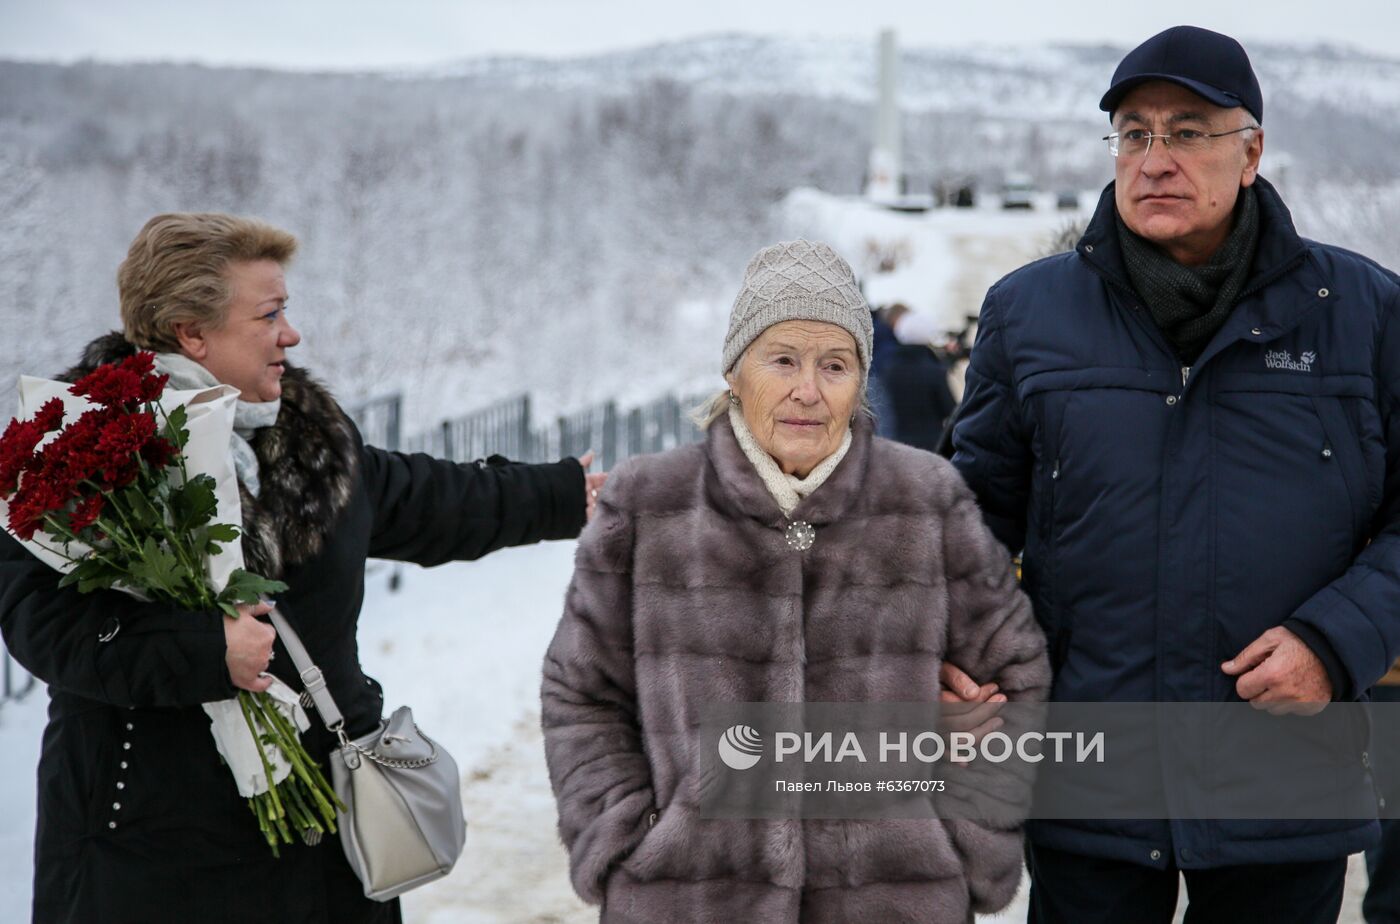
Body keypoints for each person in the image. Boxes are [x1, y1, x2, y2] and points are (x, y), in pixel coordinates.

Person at [0, 212, 602, 924]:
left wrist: (561, 495)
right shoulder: (82, 448)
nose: (292, 333)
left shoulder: (304, 431)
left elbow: (417, 495)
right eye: (271, 313)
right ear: (192, 331)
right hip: (154, 856)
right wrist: (202, 650)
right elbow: (42, 622)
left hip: (318, 846)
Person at [945, 25, 1400, 923]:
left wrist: (1335, 642)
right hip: (1090, 774)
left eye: (1189, 131)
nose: (1156, 159)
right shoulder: (1028, 312)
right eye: (1135, 133)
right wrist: (945, 658)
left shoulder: (1363, 312)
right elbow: (966, 524)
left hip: (1283, 769)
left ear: (1252, 150)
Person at [542, 239, 1050, 922]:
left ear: (859, 381)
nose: (807, 390)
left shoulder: (927, 501)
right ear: (734, 371)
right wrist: (624, 836)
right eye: (782, 359)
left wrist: (968, 845)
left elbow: (1014, 675)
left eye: (834, 365)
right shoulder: (649, 504)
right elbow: (581, 690)